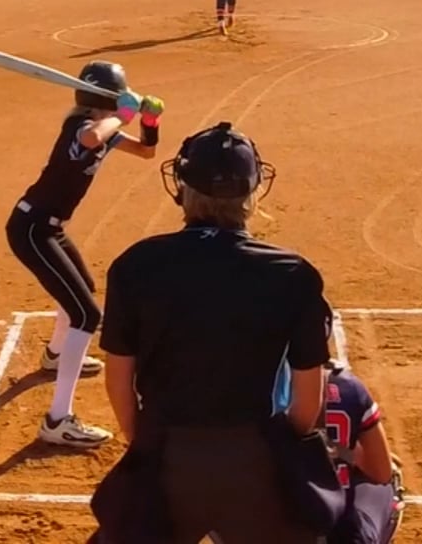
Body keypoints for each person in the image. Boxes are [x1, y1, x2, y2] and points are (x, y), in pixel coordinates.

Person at [93, 121, 336, 544]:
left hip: (167, 454)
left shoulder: (136, 265)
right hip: (256, 459)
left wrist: (147, 443)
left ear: (181, 188)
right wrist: (276, 452)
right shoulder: (292, 273)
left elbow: (118, 383)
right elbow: (307, 403)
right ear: (253, 191)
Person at [8, 61, 164, 448]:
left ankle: (55, 355)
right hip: (31, 229)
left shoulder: (105, 128)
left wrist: (149, 121)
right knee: (86, 314)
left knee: (82, 291)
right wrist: (123, 115)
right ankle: (57, 420)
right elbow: (93, 137)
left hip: (50, 229)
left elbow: (145, 152)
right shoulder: (79, 127)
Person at [324, 365, 404, 544]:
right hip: (343, 534)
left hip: (282, 527)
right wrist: (347, 452)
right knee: (389, 478)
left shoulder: (264, 394)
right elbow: (381, 472)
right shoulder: (348, 388)